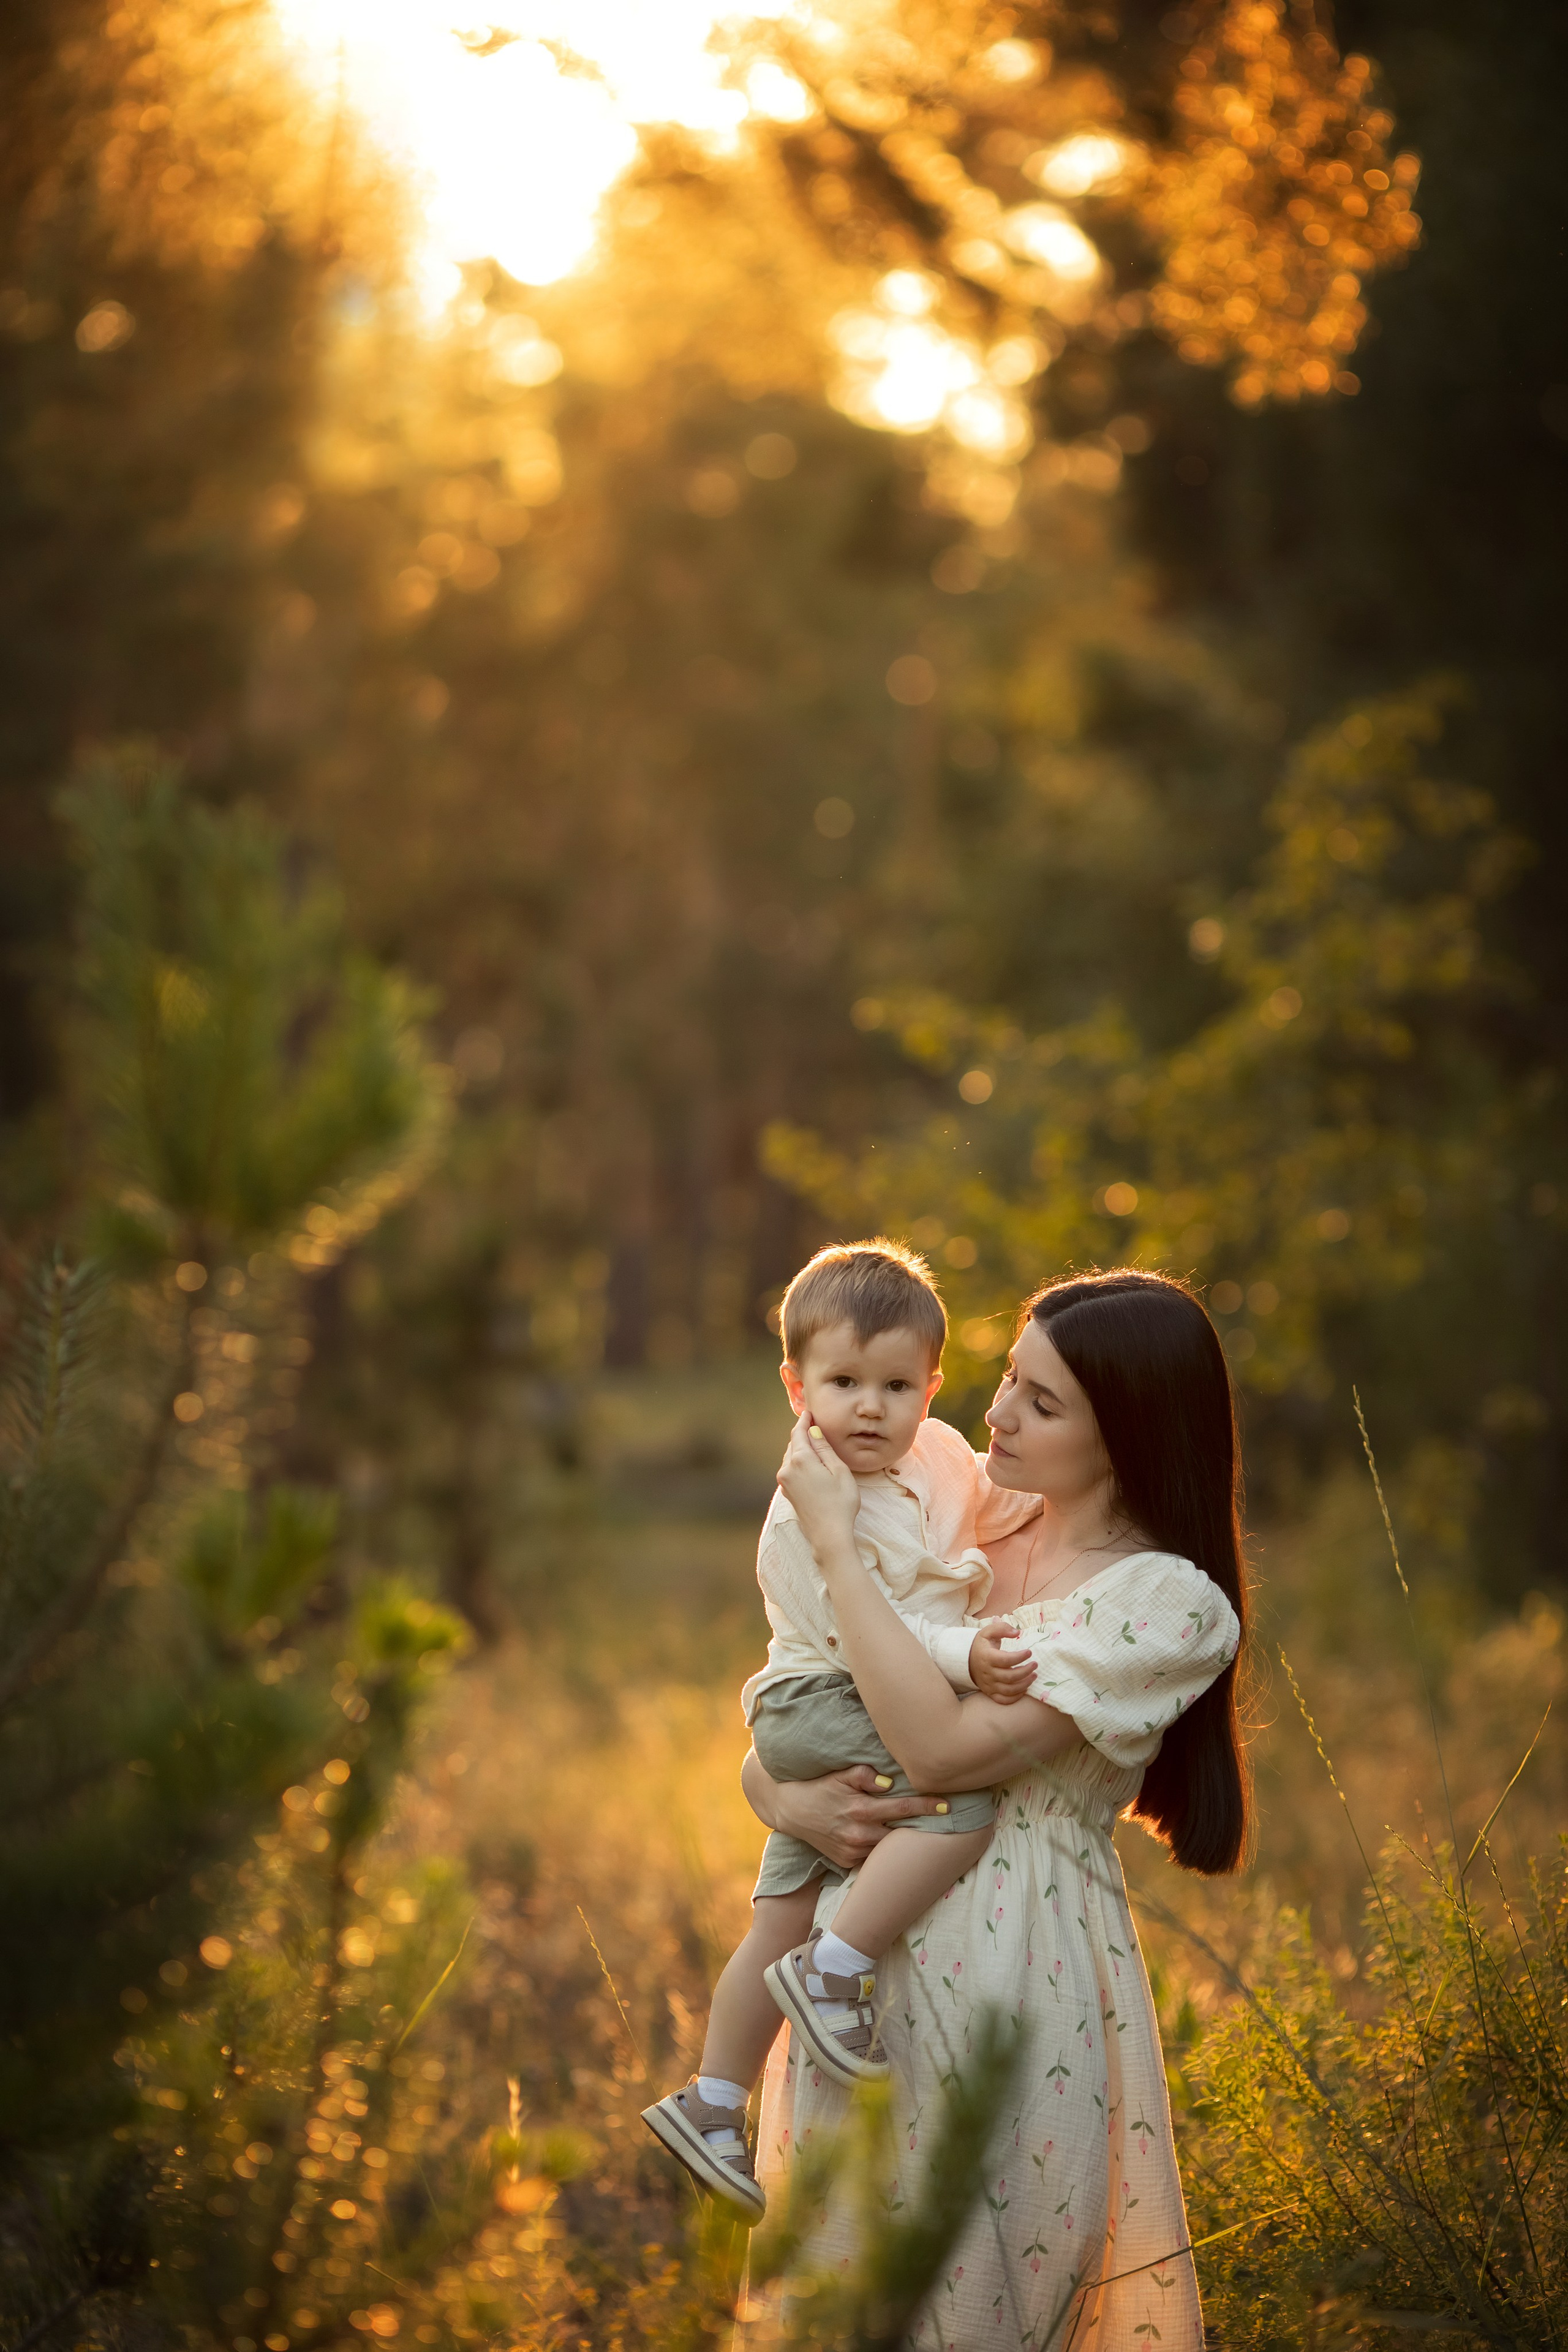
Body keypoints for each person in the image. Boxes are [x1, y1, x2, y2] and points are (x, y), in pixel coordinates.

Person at [749, 1268, 1248, 2350]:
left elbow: (938, 1751)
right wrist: (781, 1793)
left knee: (986, 2305)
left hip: (1019, 1976)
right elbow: (800, 1695)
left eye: (1042, 1401)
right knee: (845, 2302)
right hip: (856, 1971)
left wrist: (839, 1546)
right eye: (1009, 1377)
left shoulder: (1164, 1603)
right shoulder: (964, 1503)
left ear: (1129, 1433)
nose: (996, 1413)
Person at [641, 1240, 1042, 2221]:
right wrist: (967, 1659)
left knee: (775, 1911)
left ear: (934, 1385)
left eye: (897, 1384)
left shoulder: (941, 1450)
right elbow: (877, 1640)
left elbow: (997, 1507)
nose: (871, 1407)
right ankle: (836, 1969)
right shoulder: (814, 1503)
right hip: (823, 1695)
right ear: (796, 1387)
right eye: (845, 1382)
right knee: (962, 1802)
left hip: (826, 1709)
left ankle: (712, 2100)